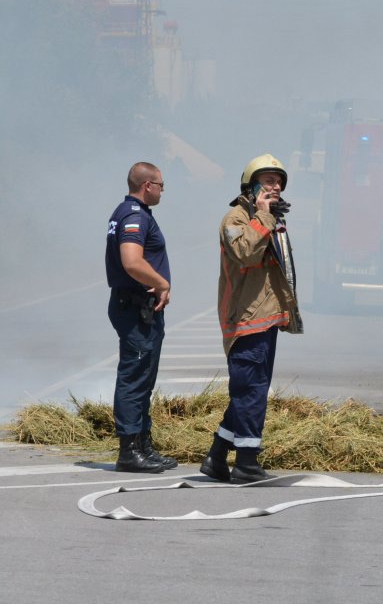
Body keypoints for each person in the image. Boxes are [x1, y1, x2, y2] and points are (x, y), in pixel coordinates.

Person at [199, 154, 302, 484]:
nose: (275, 186)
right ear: (251, 185)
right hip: (245, 319)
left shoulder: (268, 219)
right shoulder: (236, 219)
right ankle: (246, 462)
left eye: (278, 181)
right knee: (250, 392)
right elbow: (245, 252)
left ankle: (217, 458)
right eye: (268, 180)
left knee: (249, 391)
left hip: (266, 317)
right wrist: (262, 216)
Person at [105, 162, 177, 473]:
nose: (163, 190)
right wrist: (161, 283)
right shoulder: (134, 215)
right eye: (161, 185)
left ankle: (144, 445)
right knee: (134, 379)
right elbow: (131, 262)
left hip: (140, 308)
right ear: (147, 186)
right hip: (135, 308)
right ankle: (129, 450)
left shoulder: (133, 212)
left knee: (143, 378)